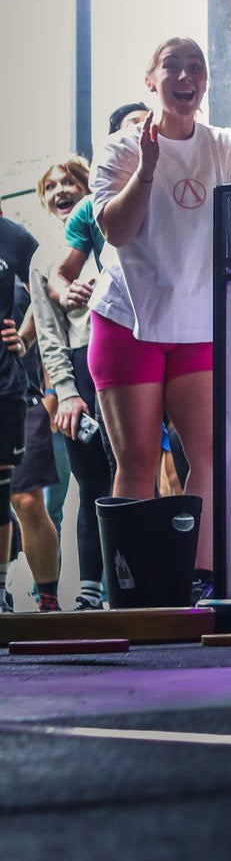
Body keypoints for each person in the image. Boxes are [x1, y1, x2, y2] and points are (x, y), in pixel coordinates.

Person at [57, 40, 231, 601]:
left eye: (196, 65)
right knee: (139, 461)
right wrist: (147, 169)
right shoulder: (122, 148)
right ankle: (129, 591)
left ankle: (196, 579)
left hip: (197, 321)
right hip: (129, 322)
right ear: (151, 80)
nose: (185, 74)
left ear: (205, 82)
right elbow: (118, 231)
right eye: (171, 65)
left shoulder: (224, 143)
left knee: (210, 456)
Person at [33, 151, 117, 609]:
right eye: (50, 186)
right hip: (80, 369)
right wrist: (65, 392)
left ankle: (149, 578)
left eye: (69, 182)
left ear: (87, 189)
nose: (60, 191)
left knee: (142, 470)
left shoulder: (110, 235)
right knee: (92, 481)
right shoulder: (46, 257)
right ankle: (90, 590)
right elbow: (47, 334)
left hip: (131, 355)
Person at [1, 206, 39, 614]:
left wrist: (24, 337)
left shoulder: (14, 236)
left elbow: (45, 286)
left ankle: (5, 592)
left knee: (13, 497)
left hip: (7, 386)